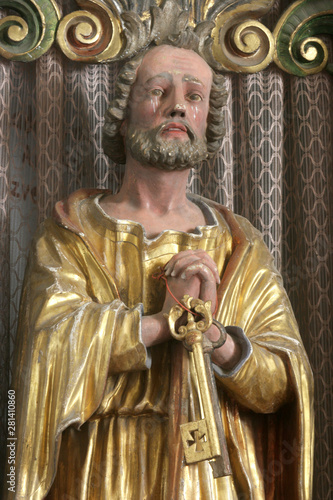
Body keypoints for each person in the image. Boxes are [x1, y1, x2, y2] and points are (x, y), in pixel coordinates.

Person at [8, 40, 313, 499]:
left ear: (207, 121)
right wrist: (162, 325)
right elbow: (43, 353)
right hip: (101, 469)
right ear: (124, 113)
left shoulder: (236, 243)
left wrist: (213, 338)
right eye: (158, 91)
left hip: (207, 476)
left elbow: (280, 387)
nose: (177, 107)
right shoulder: (75, 230)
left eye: (194, 97)